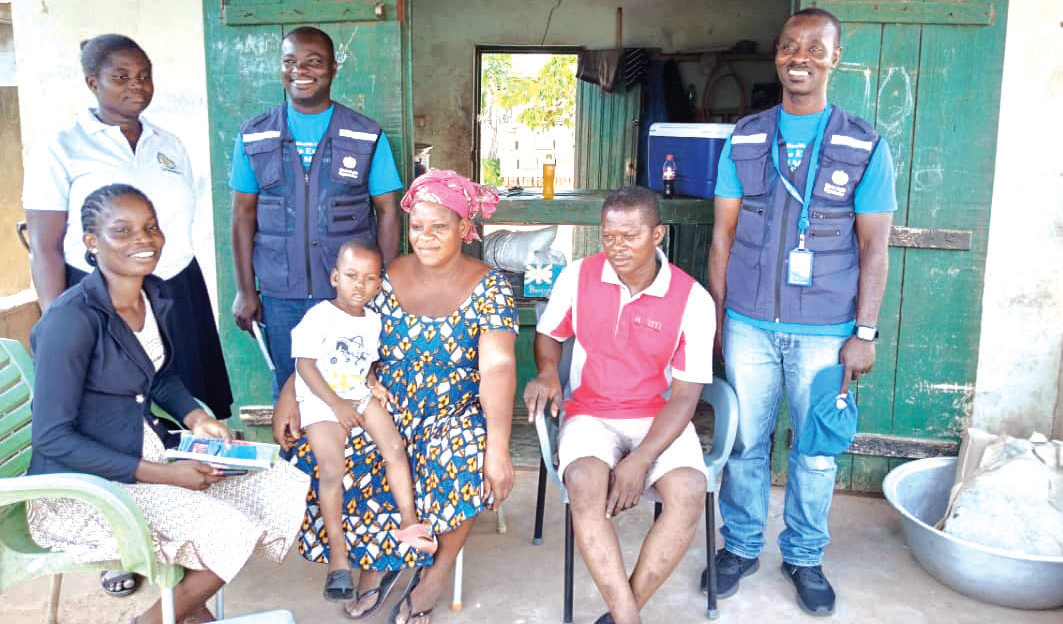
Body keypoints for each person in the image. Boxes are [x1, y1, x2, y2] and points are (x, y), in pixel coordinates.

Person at [26, 184, 309, 624]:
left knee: (281, 482)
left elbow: (159, 374)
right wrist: (163, 475)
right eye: (122, 231)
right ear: (91, 242)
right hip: (84, 488)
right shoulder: (72, 320)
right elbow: (53, 438)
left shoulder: (151, 296)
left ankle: (188, 607)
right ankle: (158, 619)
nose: (143, 240)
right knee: (228, 530)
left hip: (146, 453)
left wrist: (197, 418)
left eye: (150, 227)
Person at [21, 32, 235, 598]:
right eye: (121, 75)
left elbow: (176, 226)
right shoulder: (62, 144)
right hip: (96, 296)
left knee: (179, 402)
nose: (136, 85)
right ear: (92, 82)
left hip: (172, 290)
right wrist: (58, 326)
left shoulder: (168, 142)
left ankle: (179, 537)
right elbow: (45, 245)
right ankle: (121, 546)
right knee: (110, 412)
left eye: (144, 75)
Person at [706, 7, 897, 617]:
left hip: (825, 332)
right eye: (791, 47)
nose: (801, 59)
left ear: (835, 59)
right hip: (750, 327)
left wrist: (863, 333)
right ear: (777, 55)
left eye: (816, 49)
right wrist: (717, 318)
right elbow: (721, 239)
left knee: (815, 450)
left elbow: (875, 248)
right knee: (745, 445)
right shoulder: (748, 136)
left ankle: (805, 556)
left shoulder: (866, 145)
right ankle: (738, 547)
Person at [273, 169, 517, 624]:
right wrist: (291, 392)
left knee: (463, 457)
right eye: (418, 227)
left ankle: (433, 575)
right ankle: (377, 562)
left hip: (454, 409)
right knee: (338, 452)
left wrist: (499, 448)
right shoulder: (383, 277)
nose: (424, 238)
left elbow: (498, 366)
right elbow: (331, 337)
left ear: (465, 229)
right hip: (381, 397)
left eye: (439, 227)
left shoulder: (490, 287)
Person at [524, 186, 716, 624]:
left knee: (688, 494)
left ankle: (621, 613)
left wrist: (642, 458)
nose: (617, 247)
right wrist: (549, 371)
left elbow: (686, 395)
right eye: (609, 236)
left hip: (659, 416)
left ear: (658, 234)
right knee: (585, 485)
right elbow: (549, 335)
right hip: (590, 413)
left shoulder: (692, 299)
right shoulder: (578, 276)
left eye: (630, 236)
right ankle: (628, 617)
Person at [229, 25, 403, 399]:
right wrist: (246, 290)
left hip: (348, 293)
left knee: (355, 387)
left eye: (314, 62)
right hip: (281, 296)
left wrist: (383, 286)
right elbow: (243, 215)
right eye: (290, 62)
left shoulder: (366, 135)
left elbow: (388, 212)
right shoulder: (254, 135)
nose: (300, 71)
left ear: (334, 68)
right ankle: (294, 460)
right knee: (290, 394)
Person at [291, 239, 436, 602]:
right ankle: (338, 559)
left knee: (394, 448)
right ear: (335, 277)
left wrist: (373, 385)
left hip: (357, 393)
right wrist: (337, 405)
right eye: (352, 276)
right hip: (321, 401)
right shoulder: (319, 316)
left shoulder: (373, 320)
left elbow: (364, 362)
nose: (361, 285)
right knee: (332, 469)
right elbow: (305, 366)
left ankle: (407, 520)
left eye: (371, 279)